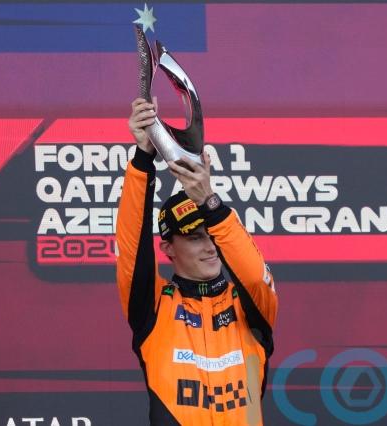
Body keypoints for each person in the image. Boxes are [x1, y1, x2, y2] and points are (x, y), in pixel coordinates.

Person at [116, 98, 278, 425]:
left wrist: (209, 203)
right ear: (168, 248)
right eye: (194, 238)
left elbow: (254, 275)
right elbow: (132, 247)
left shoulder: (249, 305)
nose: (209, 247)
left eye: (211, 234)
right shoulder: (154, 307)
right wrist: (143, 159)